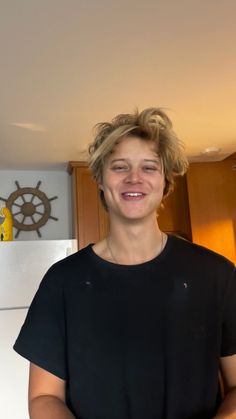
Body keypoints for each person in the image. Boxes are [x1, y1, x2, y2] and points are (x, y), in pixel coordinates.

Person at [14, 107, 236, 419]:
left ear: (165, 181)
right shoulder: (62, 282)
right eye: (119, 167)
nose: (135, 178)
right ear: (101, 180)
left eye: (149, 167)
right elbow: (44, 397)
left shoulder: (217, 275)